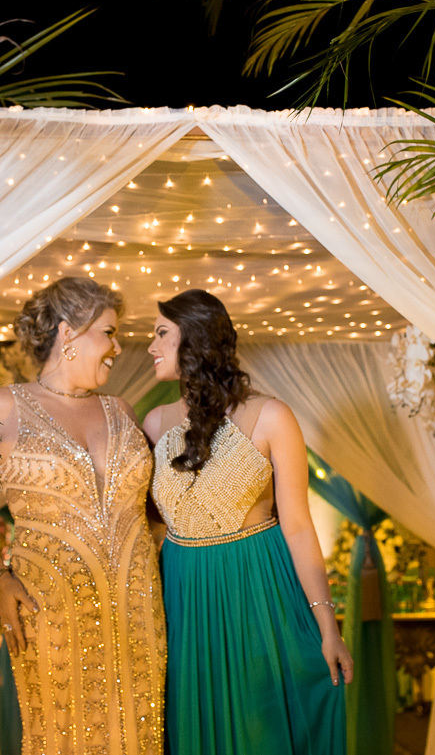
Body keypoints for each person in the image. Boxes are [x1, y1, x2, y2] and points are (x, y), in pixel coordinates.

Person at [0, 276, 165, 755]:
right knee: (63, 734)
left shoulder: (121, 410)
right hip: (52, 607)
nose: (118, 347)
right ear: (68, 333)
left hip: (138, 604)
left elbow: (152, 509)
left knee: (141, 734)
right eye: (108, 332)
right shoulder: (2, 407)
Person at [143, 289, 351, 755]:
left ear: (195, 340)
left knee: (262, 731)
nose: (150, 347)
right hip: (182, 599)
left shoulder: (272, 416)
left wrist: (328, 628)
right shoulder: (154, 424)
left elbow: (297, 526)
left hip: (256, 594)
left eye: (161, 334)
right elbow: (149, 526)